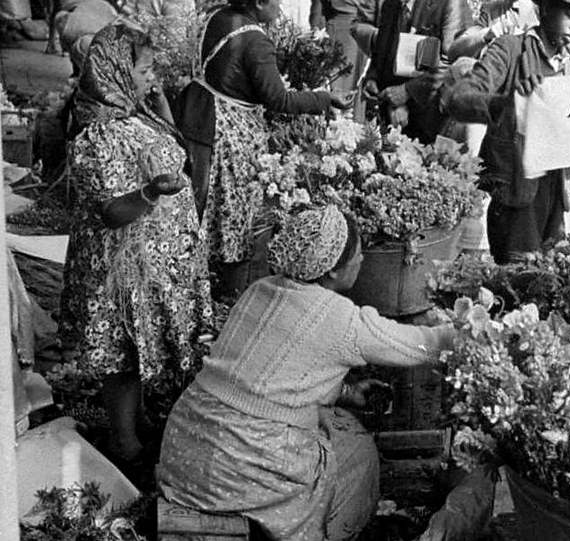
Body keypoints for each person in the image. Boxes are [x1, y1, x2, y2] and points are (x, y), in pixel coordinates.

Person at [157, 205, 455, 540]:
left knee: (330, 422)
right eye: (356, 255)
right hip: (243, 469)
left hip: (184, 447)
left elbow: (264, 377)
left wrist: (343, 393)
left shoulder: (260, 289)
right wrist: (473, 329)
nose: (360, 261)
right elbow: (418, 346)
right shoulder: (340, 317)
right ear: (331, 271)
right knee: (357, 453)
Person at [62, 21, 213, 468]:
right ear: (118, 72)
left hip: (153, 261)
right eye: (145, 69)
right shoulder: (98, 133)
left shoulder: (133, 114)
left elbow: (173, 144)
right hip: (123, 267)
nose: (153, 77)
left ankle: (140, 417)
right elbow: (111, 211)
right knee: (122, 354)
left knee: (137, 346)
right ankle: (124, 441)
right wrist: (152, 193)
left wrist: (159, 99)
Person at [174, 0, 346, 295]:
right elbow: (278, 99)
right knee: (233, 216)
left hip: (199, 115)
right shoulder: (256, 41)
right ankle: (229, 294)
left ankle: (195, 282)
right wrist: (325, 98)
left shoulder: (218, 17)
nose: (280, 6)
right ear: (258, 2)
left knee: (203, 207)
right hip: (229, 133)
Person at [449, 0, 570, 262]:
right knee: (518, 277)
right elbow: (459, 98)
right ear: (545, 9)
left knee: (554, 279)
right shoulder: (510, 49)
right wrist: (507, 104)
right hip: (517, 194)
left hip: (561, 196)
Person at [361, 0, 471, 142]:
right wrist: (372, 79)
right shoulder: (390, 7)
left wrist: (407, 92)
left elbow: (451, 66)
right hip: (393, 122)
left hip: (431, 125)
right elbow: (380, 54)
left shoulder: (449, 3)